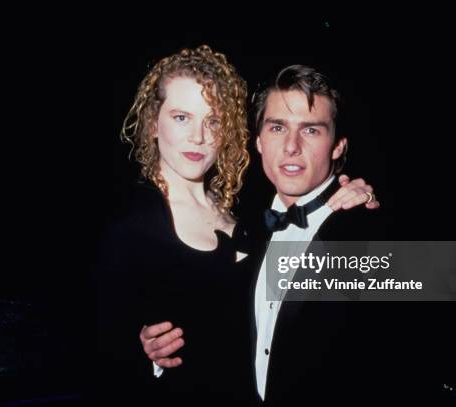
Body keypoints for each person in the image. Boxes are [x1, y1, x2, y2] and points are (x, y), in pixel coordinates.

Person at [139, 64, 449, 404]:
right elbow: (219, 330)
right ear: (257, 141)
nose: (291, 146)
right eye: (277, 127)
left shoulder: (373, 232)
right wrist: (157, 351)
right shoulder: (246, 228)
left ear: (338, 146)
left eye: (311, 130)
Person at [98, 49, 378, 404]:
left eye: (213, 121)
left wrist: (367, 200)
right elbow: (102, 351)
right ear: (153, 122)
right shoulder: (128, 226)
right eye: (182, 117)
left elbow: (454, 282)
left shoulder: (245, 213)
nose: (199, 136)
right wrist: (143, 352)